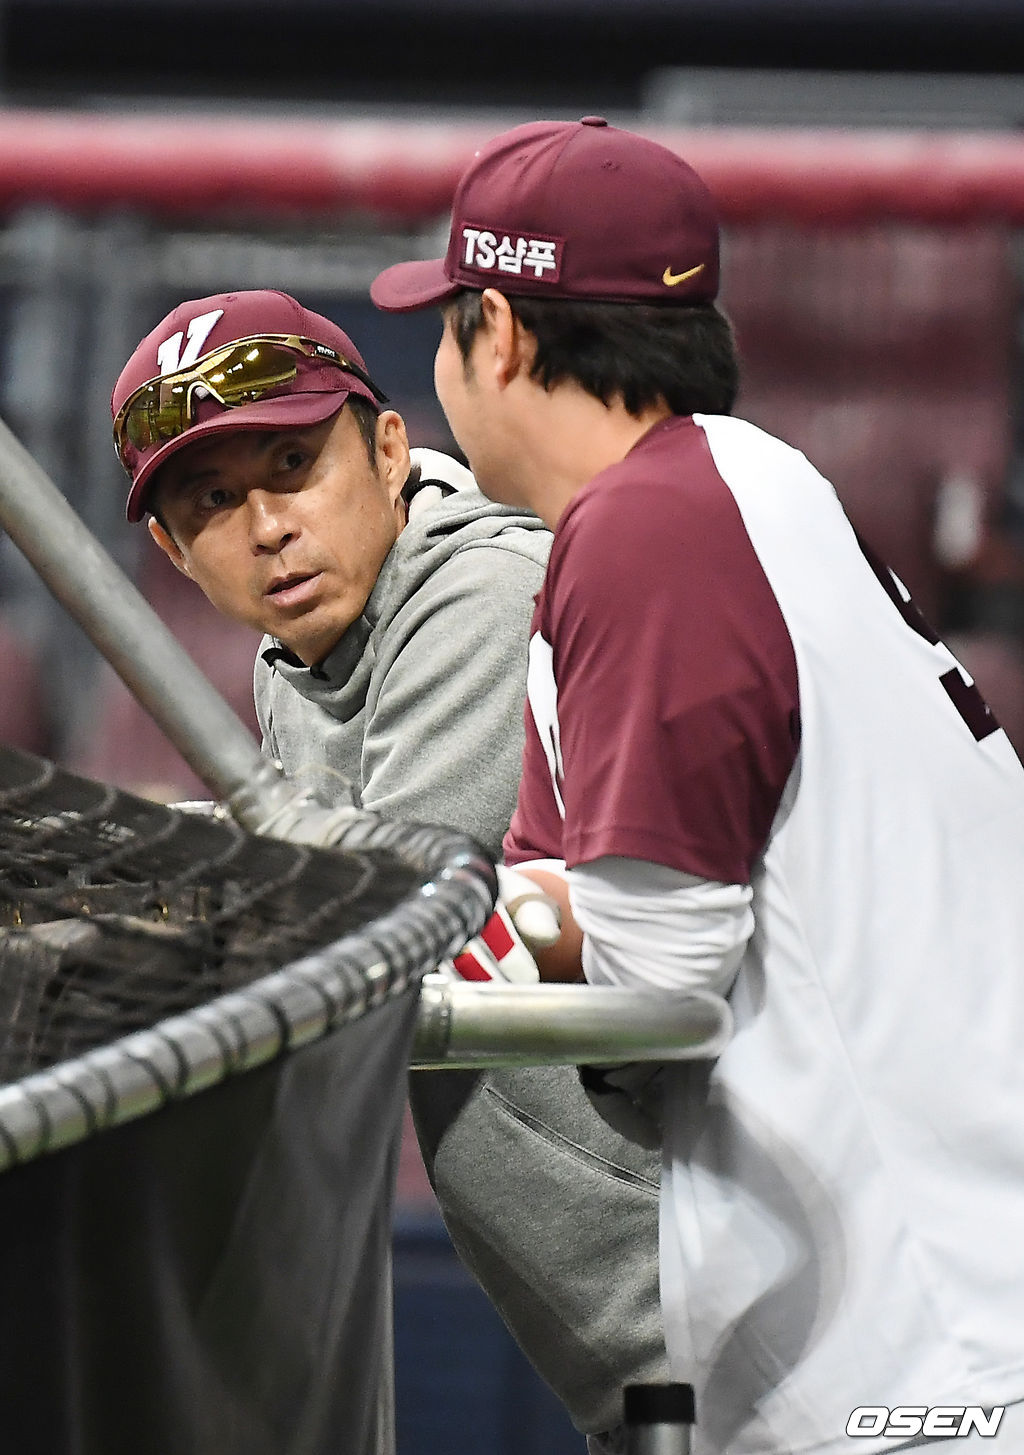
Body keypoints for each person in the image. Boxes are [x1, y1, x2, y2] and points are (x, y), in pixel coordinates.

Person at [371, 117, 1024, 1452]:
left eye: (447, 325)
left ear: (495, 331)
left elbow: (656, 967)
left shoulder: (656, 523)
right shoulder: (739, 490)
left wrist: (388, 959)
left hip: (936, 1341)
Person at [109, 288, 669, 1453]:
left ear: (390, 448)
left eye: (294, 467)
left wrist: (124, 860)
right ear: (168, 549)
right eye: (212, 499)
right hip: (655, 1334)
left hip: (763, 1296)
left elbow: (380, 921)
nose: (267, 526)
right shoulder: (303, 655)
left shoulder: (484, 594)